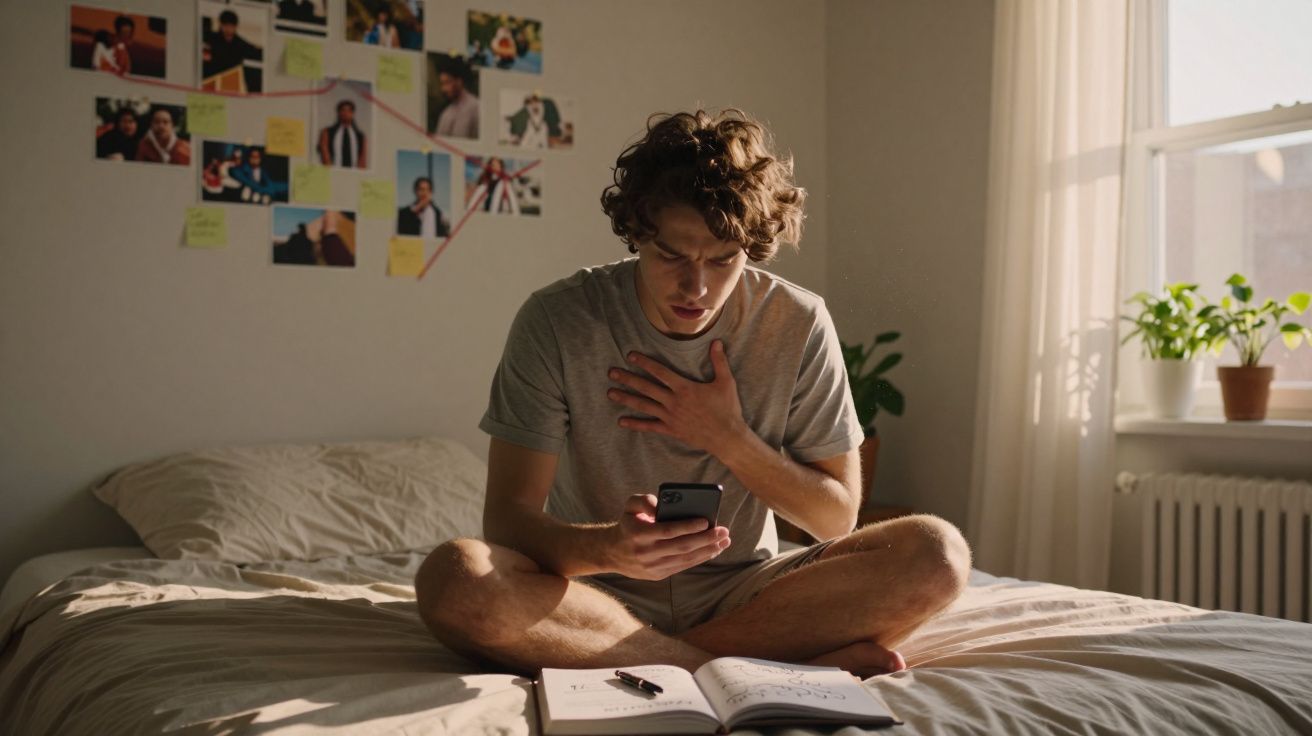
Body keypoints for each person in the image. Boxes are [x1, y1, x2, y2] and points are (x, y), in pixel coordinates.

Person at [414, 110, 972, 679]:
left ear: (750, 248)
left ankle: (667, 662)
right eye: (672, 256)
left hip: (752, 594)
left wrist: (727, 437)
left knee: (937, 555)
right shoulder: (558, 320)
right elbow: (508, 522)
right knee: (455, 577)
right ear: (637, 236)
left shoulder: (797, 321)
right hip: (586, 599)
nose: (696, 288)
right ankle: (733, 666)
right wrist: (612, 548)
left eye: (723, 259)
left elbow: (835, 520)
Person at [203, 9, 263, 93]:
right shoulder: (211, 39)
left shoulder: (240, 44)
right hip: (210, 80)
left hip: (230, 83)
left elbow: (255, 52)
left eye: (230, 26)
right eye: (225, 25)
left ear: (235, 26)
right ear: (221, 24)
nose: (228, 29)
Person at [432, 56, 478, 139]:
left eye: (447, 82)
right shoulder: (446, 114)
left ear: (459, 81)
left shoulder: (475, 107)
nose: (443, 89)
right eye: (442, 84)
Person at [318, 99, 367, 168]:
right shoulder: (327, 132)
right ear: (338, 112)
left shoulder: (360, 136)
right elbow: (325, 156)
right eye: (343, 110)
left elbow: (362, 160)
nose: (345, 113)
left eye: (349, 111)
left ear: (352, 114)